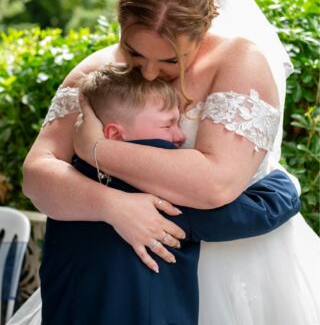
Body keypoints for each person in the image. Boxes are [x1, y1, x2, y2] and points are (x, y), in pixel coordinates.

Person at [10, 0, 320, 325]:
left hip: (236, 268)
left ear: (204, 29)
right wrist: (114, 206)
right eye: (134, 52)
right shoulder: (97, 73)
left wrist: (96, 150)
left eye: (171, 60)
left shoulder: (239, 61)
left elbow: (215, 185)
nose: (150, 72)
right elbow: (37, 174)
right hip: (117, 280)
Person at [38, 64, 298, 325]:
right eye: (168, 125)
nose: (180, 135)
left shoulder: (71, 181)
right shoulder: (163, 188)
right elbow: (252, 213)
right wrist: (285, 184)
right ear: (115, 133)